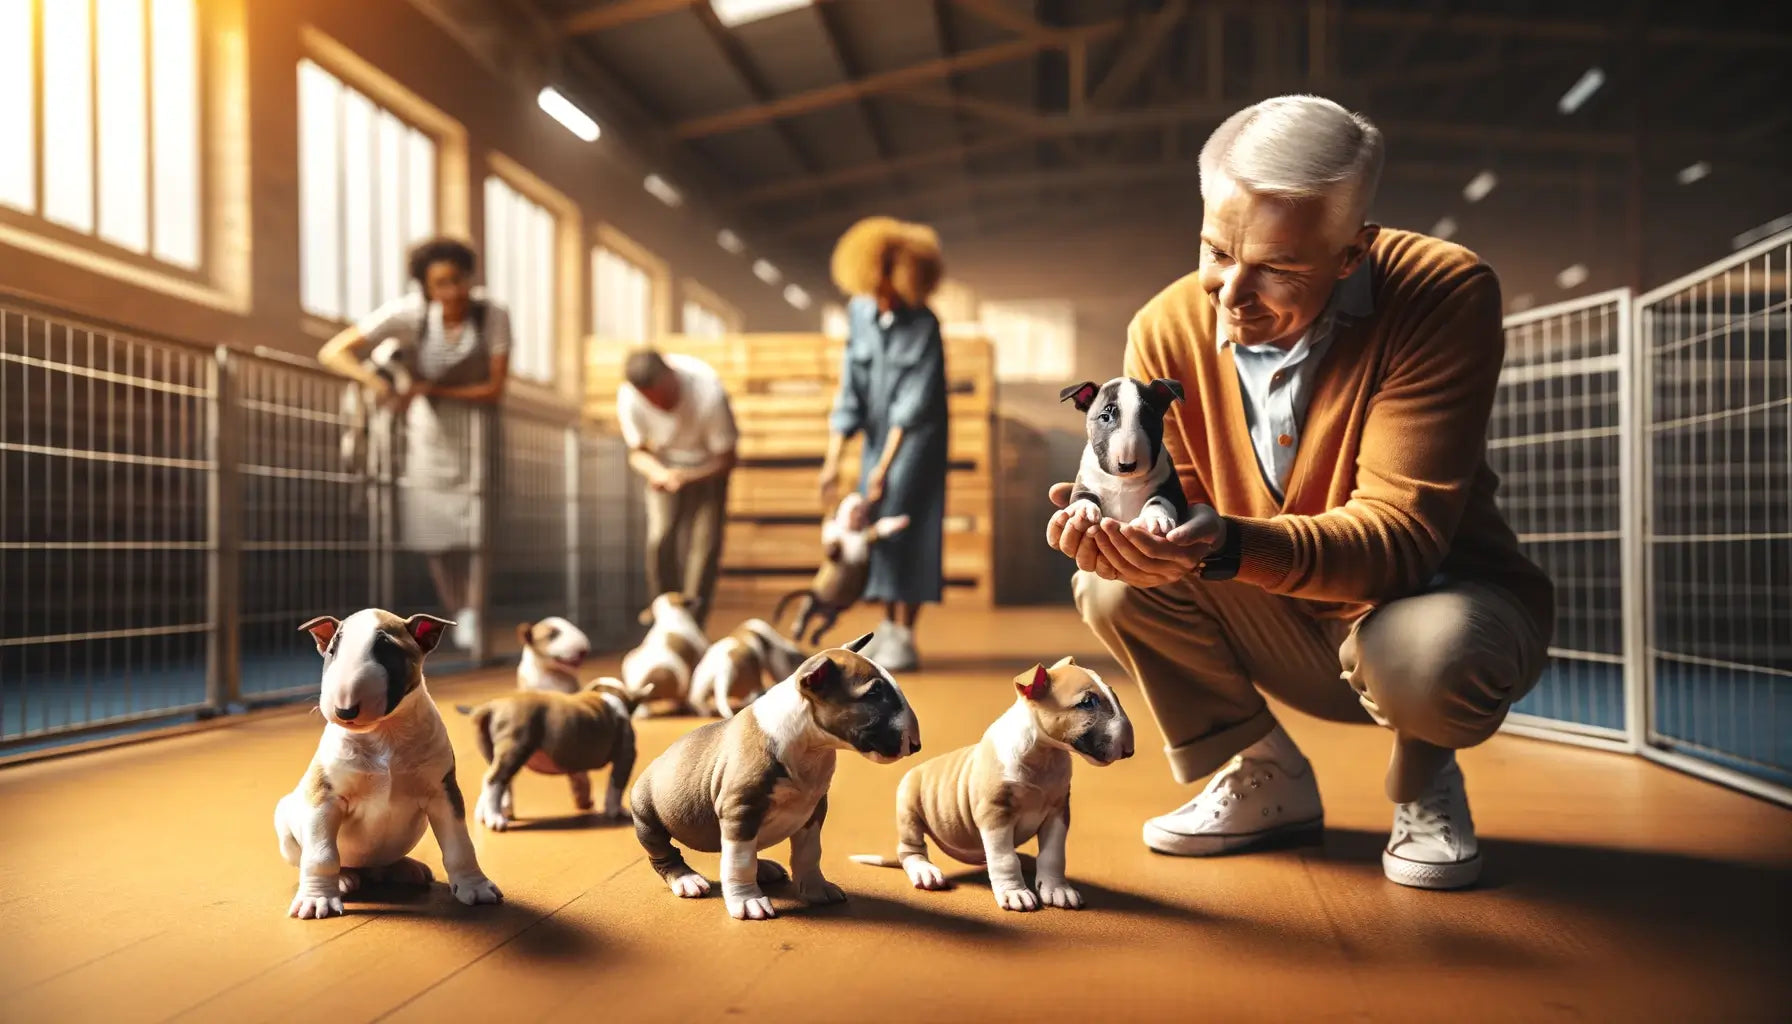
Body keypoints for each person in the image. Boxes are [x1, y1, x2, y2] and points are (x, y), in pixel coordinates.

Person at [1047, 95, 1555, 890]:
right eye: (1216, 250)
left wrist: (1228, 544)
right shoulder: (1163, 327)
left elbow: (1400, 542)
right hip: (1277, 612)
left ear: (1353, 254)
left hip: (1420, 607)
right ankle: (1268, 774)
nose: (1229, 293)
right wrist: (1137, 539)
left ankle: (1425, 776)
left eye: (1278, 268)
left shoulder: (1442, 292)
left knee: (1435, 655)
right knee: (1110, 586)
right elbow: (1168, 510)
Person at [319, 237, 511, 651]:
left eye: (459, 280)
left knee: (478, 527)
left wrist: (431, 389)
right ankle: (455, 614)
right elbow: (333, 352)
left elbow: (495, 386)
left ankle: (475, 611)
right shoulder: (407, 315)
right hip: (428, 434)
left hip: (478, 427)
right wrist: (382, 385)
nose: (452, 291)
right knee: (434, 531)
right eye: (441, 283)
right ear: (425, 286)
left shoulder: (493, 315)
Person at [819, 216, 950, 672]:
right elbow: (850, 387)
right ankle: (886, 628)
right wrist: (834, 458)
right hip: (877, 438)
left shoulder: (925, 325)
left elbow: (912, 408)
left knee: (906, 525)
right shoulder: (859, 312)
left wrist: (883, 468)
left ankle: (904, 633)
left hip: (917, 442)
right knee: (873, 526)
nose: (882, 296)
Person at [618, 348, 738, 629]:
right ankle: (665, 619)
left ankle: (693, 625)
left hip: (709, 468)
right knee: (659, 538)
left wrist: (687, 476)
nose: (660, 406)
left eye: (665, 398)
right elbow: (637, 452)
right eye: (653, 403)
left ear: (672, 376)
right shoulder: (629, 397)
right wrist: (658, 472)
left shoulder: (709, 393)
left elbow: (727, 459)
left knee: (704, 547)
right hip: (663, 466)